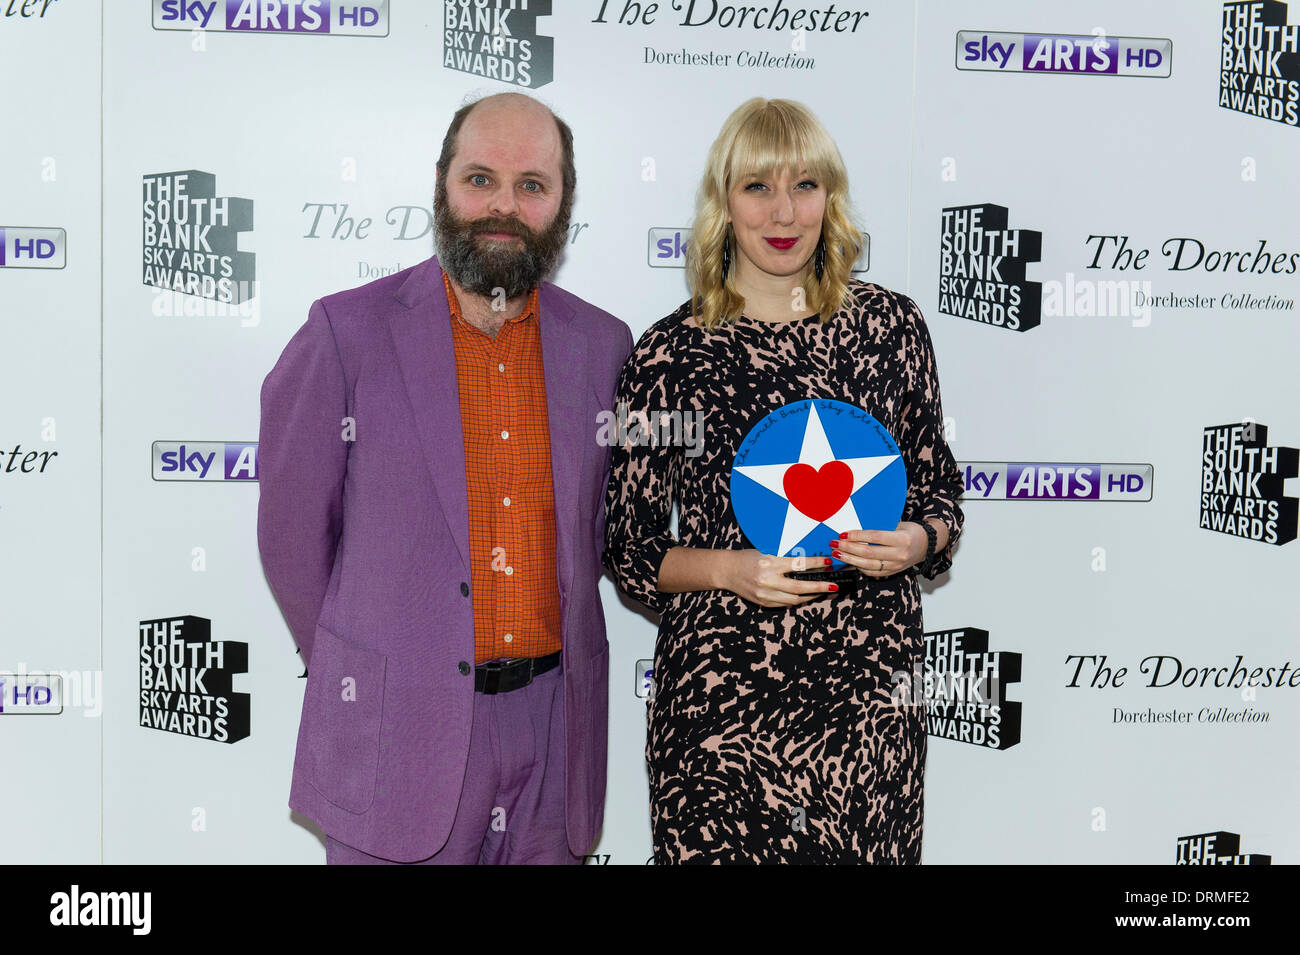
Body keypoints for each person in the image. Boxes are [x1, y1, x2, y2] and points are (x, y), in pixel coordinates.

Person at [258, 92, 632, 864]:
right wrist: (367, 663)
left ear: (563, 202)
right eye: (480, 178)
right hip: (397, 732)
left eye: (532, 184)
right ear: (440, 182)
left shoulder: (602, 346)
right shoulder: (345, 332)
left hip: (554, 736)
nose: (503, 205)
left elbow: (604, 531)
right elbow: (292, 536)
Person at [602, 98, 965, 864]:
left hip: (869, 706)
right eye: (757, 187)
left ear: (830, 197)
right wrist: (731, 570)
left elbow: (940, 501)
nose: (784, 211)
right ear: (722, 203)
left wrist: (914, 540)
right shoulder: (668, 353)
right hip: (721, 716)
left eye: (804, 184)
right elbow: (629, 548)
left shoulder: (893, 330)